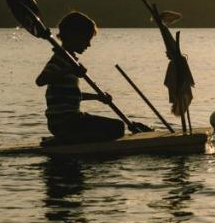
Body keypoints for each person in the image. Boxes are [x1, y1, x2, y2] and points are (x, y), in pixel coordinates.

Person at [36, 12, 143, 143]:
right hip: (65, 123)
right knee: (117, 127)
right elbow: (40, 80)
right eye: (86, 39)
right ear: (74, 37)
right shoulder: (59, 60)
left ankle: (67, 138)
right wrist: (70, 69)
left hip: (71, 120)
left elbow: (70, 94)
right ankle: (66, 140)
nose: (88, 45)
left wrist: (97, 97)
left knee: (116, 127)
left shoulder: (69, 61)